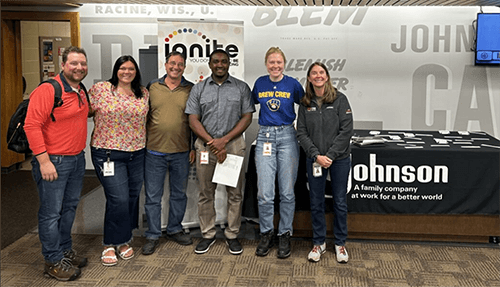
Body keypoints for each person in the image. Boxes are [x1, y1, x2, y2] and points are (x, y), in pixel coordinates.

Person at [25, 46, 89, 281]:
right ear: (63, 65)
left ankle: (64, 251)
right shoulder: (48, 89)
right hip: (54, 161)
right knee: (51, 213)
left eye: (82, 63)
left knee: (69, 208)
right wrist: (43, 161)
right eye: (74, 63)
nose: (79, 67)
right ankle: (52, 261)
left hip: (76, 159)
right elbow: (31, 125)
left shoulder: (80, 90)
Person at [185, 49, 255, 255]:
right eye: (216, 61)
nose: (220, 64)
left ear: (229, 63)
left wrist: (224, 141)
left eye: (224, 61)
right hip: (206, 146)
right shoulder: (198, 89)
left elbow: (247, 117)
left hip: (232, 145)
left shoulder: (241, 88)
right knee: (206, 193)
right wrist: (212, 142)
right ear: (209, 63)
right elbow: (192, 119)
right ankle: (207, 234)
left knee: (235, 193)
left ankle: (232, 234)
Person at [88, 55, 149, 266]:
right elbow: (83, 112)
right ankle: (109, 243)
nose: (127, 72)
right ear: (116, 70)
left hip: (137, 152)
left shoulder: (143, 93)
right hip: (108, 153)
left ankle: (125, 240)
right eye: (123, 68)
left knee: (131, 197)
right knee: (118, 199)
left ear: (136, 71)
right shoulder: (101, 90)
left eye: (131, 69)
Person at [296, 62, 354, 263]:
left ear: (327, 77)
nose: (318, 76)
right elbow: (301, 132)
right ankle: (319, 243)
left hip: (339, 159)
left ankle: (340, 244)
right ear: (309, 78)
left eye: (321, 72)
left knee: (339, 201)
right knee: (316, 201)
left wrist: (330, 155)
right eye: (314, 73)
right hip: (315, 160)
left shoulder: (340, 99)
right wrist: (316, 155)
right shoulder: (305, 103)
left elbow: (346, 130)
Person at [251, 47, 304, 259]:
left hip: (287, 137)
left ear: (284, 64)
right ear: (266, 64)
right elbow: (249, 106)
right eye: (271, 62)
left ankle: (284, 233)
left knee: (287, 192)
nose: (275, 66)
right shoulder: (260, 83)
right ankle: (266, 233)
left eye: (279, 62)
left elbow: (308, 106)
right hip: (264, 137)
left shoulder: (292, 84)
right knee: (264, 193)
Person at [141, 51, 195, 255]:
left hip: (181, 151)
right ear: (165, 65)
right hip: (154, 151)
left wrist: (192, 146)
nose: (176, 67)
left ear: (184, 67)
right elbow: (143, 117)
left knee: (179, 194)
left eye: (180, 64)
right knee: (153, 196)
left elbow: (194, 120)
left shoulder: (190, 89)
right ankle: (153, 234)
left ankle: (174, 229)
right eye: (172, 63)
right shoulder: (152, 87)